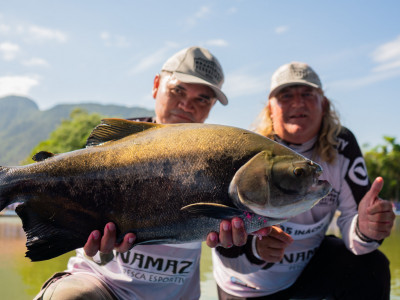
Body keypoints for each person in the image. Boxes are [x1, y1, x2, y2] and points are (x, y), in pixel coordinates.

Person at [34, 46, 266, 300]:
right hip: (99, 283)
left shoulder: (224, 164)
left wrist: (249, 244)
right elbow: (80, 236)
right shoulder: (110, 151)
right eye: (178, 90)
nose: (187, 104)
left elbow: (234, 262)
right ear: (156, 85)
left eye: (202, 99)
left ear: (211, 107)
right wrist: (91, 241)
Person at [212, 62, 396, 300]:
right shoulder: (248, 155)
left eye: (307, 94)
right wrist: (256, 249)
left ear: (324, 104)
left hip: (305, 273)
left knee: (371, 264)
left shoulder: (343, 146)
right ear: (270, 108)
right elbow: (221, 241)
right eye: (286, 96)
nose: (297, 103)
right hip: (248, 285)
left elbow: (356, 232)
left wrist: (367, 228)